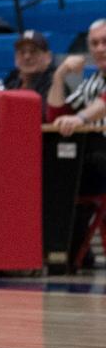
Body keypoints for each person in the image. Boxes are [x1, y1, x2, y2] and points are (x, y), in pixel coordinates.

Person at [47, 20, 106, 265]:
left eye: (105, 42)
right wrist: (60, 75)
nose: (100, 48)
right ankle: (61, 256)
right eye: (94, 43)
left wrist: (80, 117)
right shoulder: (91, 83)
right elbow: (56, 115)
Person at [0, 31, 54, 100]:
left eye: (34, 51)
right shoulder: (11, 81)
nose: (27, 57)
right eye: (22, 52)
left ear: (48, 57)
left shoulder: (55, 85)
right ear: (15, 58)